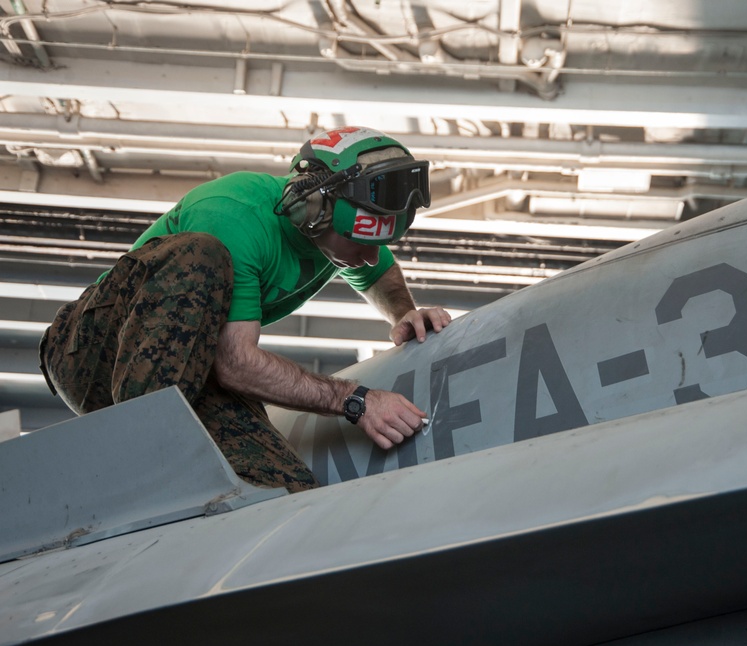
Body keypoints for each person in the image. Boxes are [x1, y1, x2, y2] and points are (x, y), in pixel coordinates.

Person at [39, 126, 451, 493]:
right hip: (94, 352)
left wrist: (403, 313)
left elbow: (378, 272)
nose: (368, 254)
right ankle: (146, 446)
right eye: (359, 242)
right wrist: (355, 400)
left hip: (193, 371)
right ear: (311, 210)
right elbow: (235, 363)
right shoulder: (231, 211)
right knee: (200, 254)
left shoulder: (340, 237)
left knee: (282, 497)